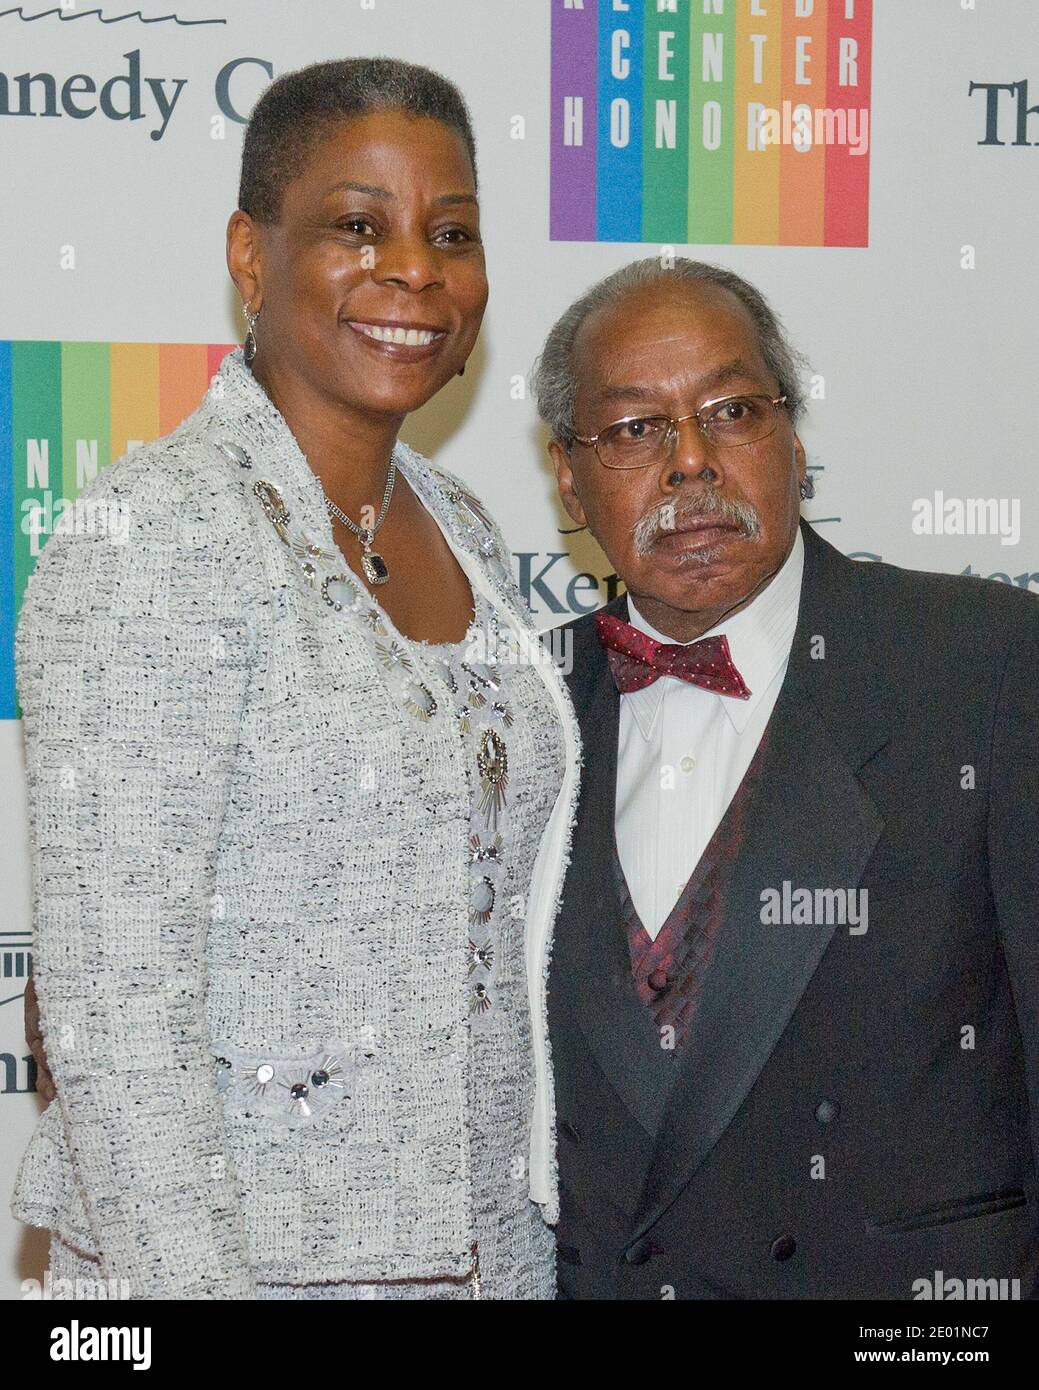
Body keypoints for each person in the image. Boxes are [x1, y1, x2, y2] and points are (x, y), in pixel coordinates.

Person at [12, 56, 581, 1300]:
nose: (414, 271)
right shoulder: (155, 538)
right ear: (252, 255)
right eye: (356, 226)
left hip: (492, 1263)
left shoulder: (469, 530)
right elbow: (117, 1018)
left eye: (451, 232)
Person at [531, 256, 1039, 1300]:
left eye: (731, 410)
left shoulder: (984, 665)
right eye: (634, 429)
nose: (690, 463)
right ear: (568, 480)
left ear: (793, 440)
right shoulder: (523, 705)